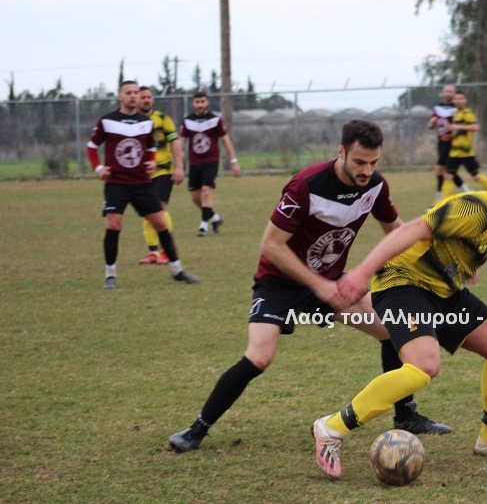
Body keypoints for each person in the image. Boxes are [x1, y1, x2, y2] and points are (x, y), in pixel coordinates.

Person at [168, 120, 450, 453]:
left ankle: (405, 416)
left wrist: (439, 264)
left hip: (330, 282)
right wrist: (319, 284)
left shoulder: (375, 185)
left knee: (391, 330)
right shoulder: (305, 186)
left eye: (374, 162)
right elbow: (271, 246)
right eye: (359, 162)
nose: (367, 170)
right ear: (341, 152)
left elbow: (398, 233)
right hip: (280, 282)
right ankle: (197, 429)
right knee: (259, 357)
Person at [311, 158, 487, 479]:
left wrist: (463, 267)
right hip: (403, 284)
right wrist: (361, 274)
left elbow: (450, 244)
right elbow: (411, 230)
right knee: (424, 366)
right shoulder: (475, 208)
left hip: (443, 290)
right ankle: (331, 428)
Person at [86, 81, 200, 289]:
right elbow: (91, 147)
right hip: (116, 183)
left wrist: (151, 162)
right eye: (128, 92)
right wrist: (98, 168)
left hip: (141, 183)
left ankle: (177, 270)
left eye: (135, 92)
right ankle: (110, 275)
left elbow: (150, 147)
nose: (133, 96)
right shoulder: (107, 121)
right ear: (120, 96)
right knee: (113, 225)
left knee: (161, 224)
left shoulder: (146, 123)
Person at [179, 91, 241, 237]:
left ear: (207, 102)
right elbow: (181, 140)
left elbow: (225, 140)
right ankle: (215, 218)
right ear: (193, 103)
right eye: (197, 102)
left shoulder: (215, 120)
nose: (200, 105)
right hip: (194, 163)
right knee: (195, 197)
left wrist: (233, 161)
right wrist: (179, 153)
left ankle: (203, 225)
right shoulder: (187, 121)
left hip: (211, 161)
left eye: (202, 102)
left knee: (206, 192)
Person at [137, 86, 184, 265]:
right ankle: (153, 252)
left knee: (160, 209)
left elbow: (175, 144)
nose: (146, 100)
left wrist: (179, 167)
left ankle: (166, 251)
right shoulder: (133, 122)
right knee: (147, 213)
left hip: (163, 171)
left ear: (153, 99)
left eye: (148, 97)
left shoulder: (163, 120)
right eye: (142, 97)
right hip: (142, 174)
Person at [441, 90, 487, 199]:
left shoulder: (467, 114)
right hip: (454, 153)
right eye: (456, 99)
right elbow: (455, 131)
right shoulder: (454, 114)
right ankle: (443, 204)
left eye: (461, 98)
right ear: (453, 100)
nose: (458, 101)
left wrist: (457, 127)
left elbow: (475, 127)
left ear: (465, 100)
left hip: (466, 153)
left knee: (476, 176)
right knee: (448, 176)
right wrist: (449, 136)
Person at [429, 84, 468, 202]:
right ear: (443, 92)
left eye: (451, 91)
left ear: (454, 93)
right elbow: (430, 126)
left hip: (453, 144)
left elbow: (464, 127)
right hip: (441, 143)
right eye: (447, 91)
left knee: (441, 170)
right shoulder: (438, 108)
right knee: (448, 171)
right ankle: (467, 192)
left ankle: (438, 200)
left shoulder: (457, 109)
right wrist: (432, 123)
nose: (448, 93)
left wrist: (453, 134)